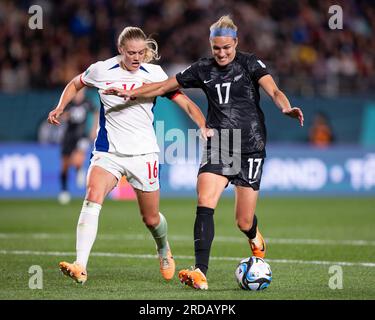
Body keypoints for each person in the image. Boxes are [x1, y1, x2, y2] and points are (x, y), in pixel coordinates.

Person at [104, 16, 304, 290]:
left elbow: (274, 90)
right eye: (216, 48)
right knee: (205, 199)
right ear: (211, 45)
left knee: (243, 220)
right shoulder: (202, 69)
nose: (221, 53)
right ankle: (200, 271)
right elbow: (163, 86)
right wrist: (130, 93)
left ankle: (253, 233)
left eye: (226, 48)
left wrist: (285, 107)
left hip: (251, 145)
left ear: (235, 43)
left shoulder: (250, 63)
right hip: (220, 141)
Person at [47, 26, 211, 284]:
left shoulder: (155, 73)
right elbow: (76, 83)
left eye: (141, 52)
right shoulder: (101, 70)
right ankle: (80, 264)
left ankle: (163, 248)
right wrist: (60, 107)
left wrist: (202, 125)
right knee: (92, 196)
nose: (136, 57)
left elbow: (186, 103)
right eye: (131, 52)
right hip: (108, 151)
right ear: (121, 50)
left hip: (143, 154)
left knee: (151, 218)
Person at [57, 87, 99, 205]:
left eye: (81, 92)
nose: (79, 95)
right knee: (64, 165)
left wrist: (94, 129)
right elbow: (60, 116)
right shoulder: (68, 103)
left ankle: (79, 168)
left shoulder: (87, 102)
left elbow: (96, 112)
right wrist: (65, 115)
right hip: (68, 137)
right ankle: (64, 190)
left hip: (81, 136)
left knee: (78, 157)